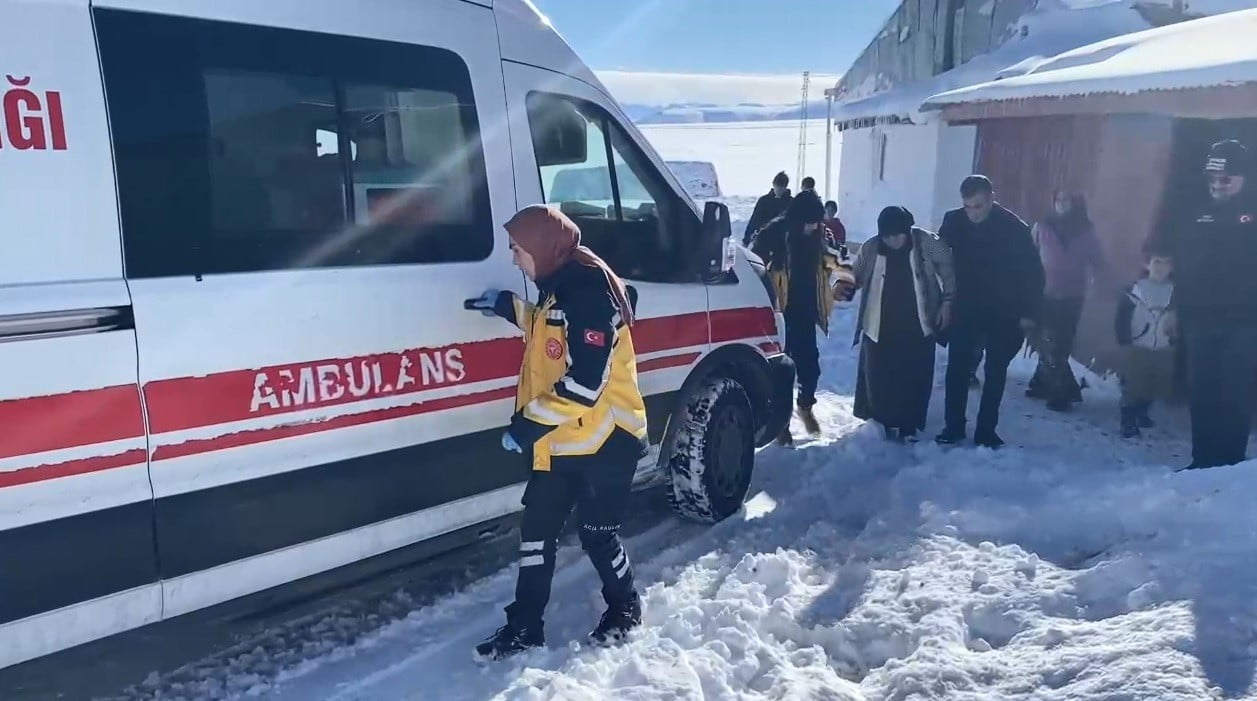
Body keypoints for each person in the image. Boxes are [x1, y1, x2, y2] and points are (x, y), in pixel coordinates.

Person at [468, 205, 649, 660]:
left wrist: (527, 425)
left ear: (543, 249)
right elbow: (550, 331)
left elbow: (586, 384)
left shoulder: (587, 291)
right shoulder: (558, 285)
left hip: (607, 438)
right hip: (564, 437)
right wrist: (510, 308)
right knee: (537, 531)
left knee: (597, 533)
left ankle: (626, 606)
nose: (513, 259)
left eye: (517, 249)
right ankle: (525, 627)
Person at [1163, 139, 1257, 469]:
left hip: (1245, 323)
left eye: (1226, 178)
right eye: (1214, 178)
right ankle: (1202, 460)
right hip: (1201, 321)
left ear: (1244, 176)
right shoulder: (1196, 214)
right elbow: (1184, 267)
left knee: (1235, 394)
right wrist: (1174, 308)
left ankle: (1230, 462)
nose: (1218, 184)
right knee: (1202, 392)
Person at [937, 175, 1045, 448]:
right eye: (968, 206)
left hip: (1003, 311)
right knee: (958, 368)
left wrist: (1029, 312)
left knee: (995, 371)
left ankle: (986, 431)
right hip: (966, 307)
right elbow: (936, 258)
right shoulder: (953, 221)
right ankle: (953, 426)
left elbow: (1033, 274)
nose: (973, 212)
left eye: (979, 206)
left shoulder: (1014, 228)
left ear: (991, 199)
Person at [844, 206, 955, 442]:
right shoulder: (872, 247)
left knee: (915, 376)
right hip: (880, 324)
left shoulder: (926, 242)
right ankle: (881, 423)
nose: (893, 240)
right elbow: (856, 276)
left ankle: (909, 426)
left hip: (918, 322)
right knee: (880, 377)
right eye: (888, 236)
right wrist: (845, 286)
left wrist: (947, 303)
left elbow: (948, 268)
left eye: (897, 235)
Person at [758, 176, 841, 443]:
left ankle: (805, 407)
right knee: (781, 372)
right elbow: (753, 260)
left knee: (810, 368)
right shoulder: (775, 232)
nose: (814, 226)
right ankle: (780, 425)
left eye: (817, 222)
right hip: (779, 313)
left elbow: (834, 262)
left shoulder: (819, 235)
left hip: (805, 310)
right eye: (809, 222)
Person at [1028, 191, 1110, 411]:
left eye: (1067, 201)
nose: (1062, 205)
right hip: (1045, 293)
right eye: (1058, 200)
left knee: (1060, 342)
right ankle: (1044, 382)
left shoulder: (1085, 230)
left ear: (1076, 204)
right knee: (1043, 338)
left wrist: (1101, 283)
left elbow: (1097, 260)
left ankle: (1062, 392)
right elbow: (1030, 255)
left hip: (1073, 295)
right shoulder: (1043, 227)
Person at [1115, 248, 1176, 438]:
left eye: (1165, 263)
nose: (1160, 267)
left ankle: (1143, 411)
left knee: (1156, 382)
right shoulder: (1136, 288)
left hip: (1164, 346)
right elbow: (1122, 315)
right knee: (1133, 383)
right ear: (1147, 264)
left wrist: (1175, 336)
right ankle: (1128, 420)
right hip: (1138, 344)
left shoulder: (1175, 292)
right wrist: (1124, 336)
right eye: (1157, 262)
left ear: (1171, 268)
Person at [743, 171, 792, 247]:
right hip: (764, 239)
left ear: (785, 187)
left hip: (783, 242)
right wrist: (746, 240)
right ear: (774, 185)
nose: (779, 190)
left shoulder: (791, 202)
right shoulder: (764, 201)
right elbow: (754, 220)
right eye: (778, 186)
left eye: (782, 187)